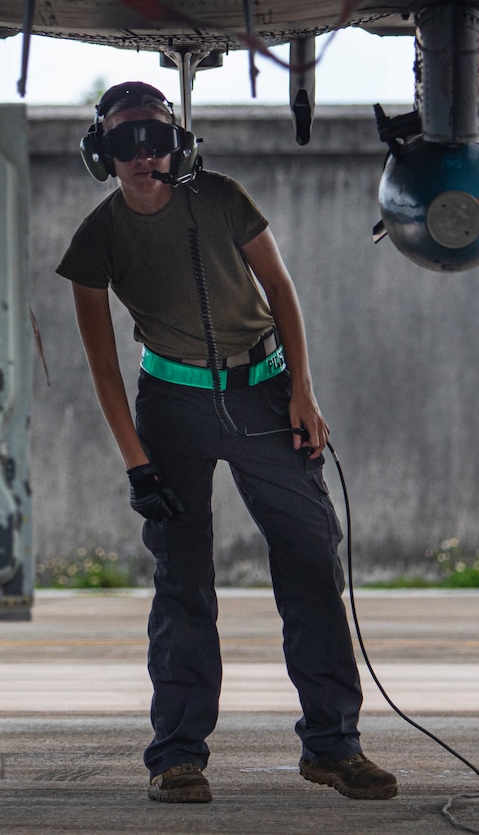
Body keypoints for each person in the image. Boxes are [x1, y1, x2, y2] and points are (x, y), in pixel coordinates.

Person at [57, 80, 398, 805]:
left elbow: (281, 289)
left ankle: (334, 746)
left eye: (156, 138)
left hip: (265, 393)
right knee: (182, 580)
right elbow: (102, 366)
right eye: (125, 142)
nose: (143, 155)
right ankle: (177, 757)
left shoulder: (221, 198)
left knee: (310, 559)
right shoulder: (96, 238)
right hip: (170, 407)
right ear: (101, 153)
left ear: (177, 144)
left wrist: (303, 392)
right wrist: (138, 464)